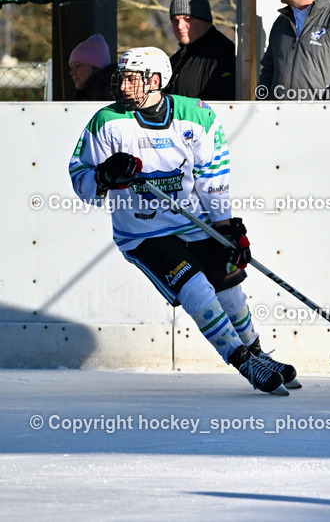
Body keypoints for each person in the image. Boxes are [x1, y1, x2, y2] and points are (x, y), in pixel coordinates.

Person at [68, 46, 298, 395]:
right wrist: (104, 176)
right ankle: (242, 361)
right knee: (196, 289)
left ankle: (258, 353)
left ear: (156, 81)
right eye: (122, 77)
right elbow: (81, 180)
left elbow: (212, 176)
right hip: (143, 233)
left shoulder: (197, 115)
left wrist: (225, 227)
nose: (124, 85)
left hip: (194, 223)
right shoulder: (107, 121)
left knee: (230, 292)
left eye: (133, 79)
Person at [165, 0, 237, 101]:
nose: (180, 26)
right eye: (175, 20)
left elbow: (226, 105)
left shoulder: (224, 55)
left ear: (205, 20)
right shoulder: (176, 59)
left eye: (187, 19)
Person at [68, 34, 115, 101]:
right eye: (72, 67)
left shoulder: (108, 96)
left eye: (78, 66)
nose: (71, 73)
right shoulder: (90, 95)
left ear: (96, 66)